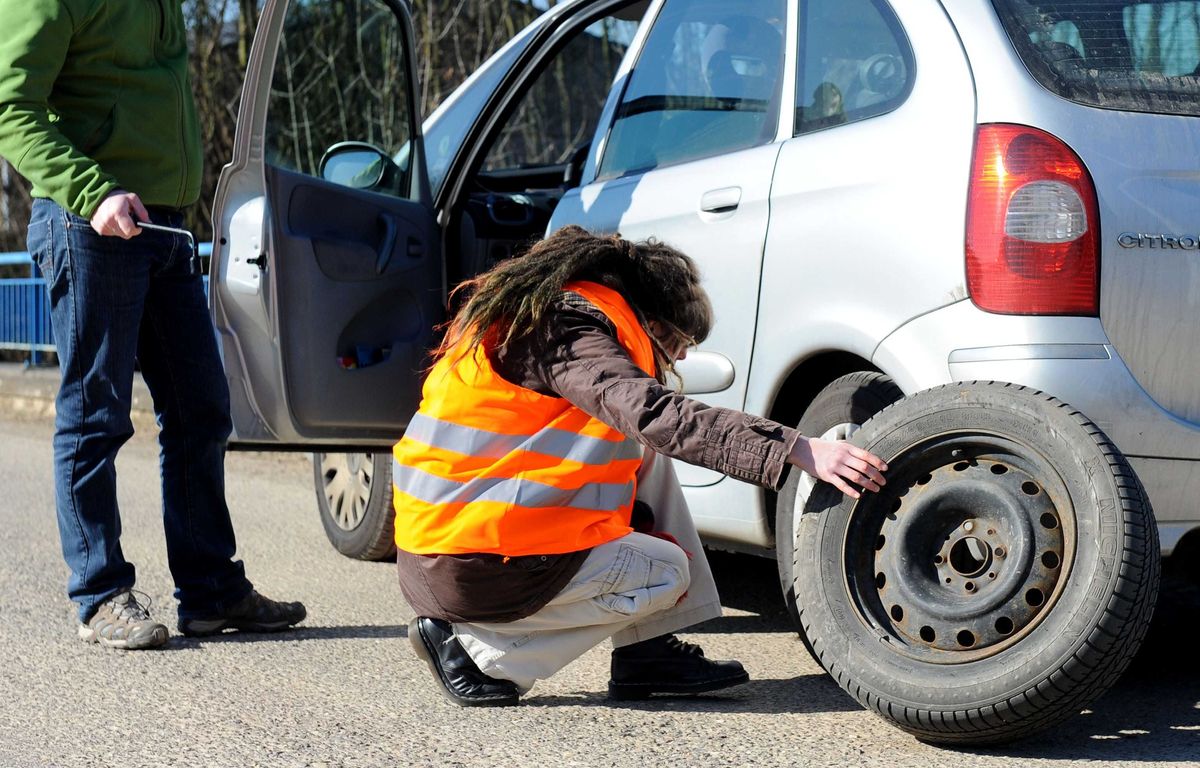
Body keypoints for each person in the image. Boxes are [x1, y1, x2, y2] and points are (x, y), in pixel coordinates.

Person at [395, 226, 887, 706]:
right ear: (651, 323)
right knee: (667, 571)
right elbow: (655, 414)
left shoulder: (548, 315)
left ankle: (648, 651)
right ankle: (478, 653)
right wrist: (798, 449)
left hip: (457, 539)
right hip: (471, 564)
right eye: (678, 345)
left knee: (643, 455)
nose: (678, 359)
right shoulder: (568, 334)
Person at [0, 0, 306, 649]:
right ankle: (100, 594)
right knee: (96, 413)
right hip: (89, 221)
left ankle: (210, 591)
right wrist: (93, 190)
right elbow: (9, 107)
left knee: (201, 407)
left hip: (164, 223)